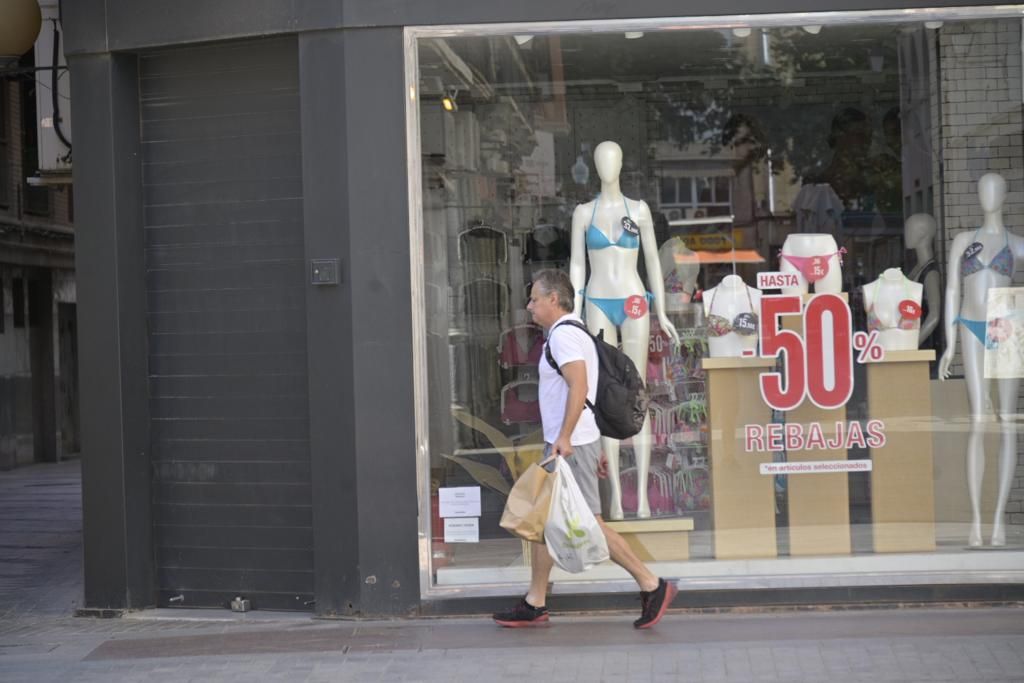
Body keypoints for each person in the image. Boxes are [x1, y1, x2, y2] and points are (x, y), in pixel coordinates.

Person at [493, 269, 678, 629]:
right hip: (575, 441)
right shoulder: (573, 334)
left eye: (534, 299)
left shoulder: (564, 337)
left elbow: (578, 388)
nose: (529, 306)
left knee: (589, 524)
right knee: (544, 521)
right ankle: (535, 600)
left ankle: (651, 584)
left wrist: (564, 438)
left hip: (570, 444)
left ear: (553, 299)